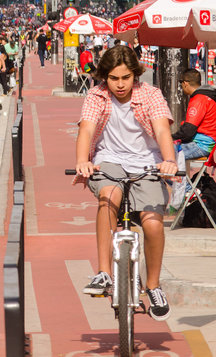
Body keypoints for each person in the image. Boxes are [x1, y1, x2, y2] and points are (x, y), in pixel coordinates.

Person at [73, 45, 177, 321]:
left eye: (125, 78)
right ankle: (104, 273)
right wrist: (83, 160)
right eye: (113, 78)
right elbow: (86, 128)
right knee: (108, 196)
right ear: (104, 77)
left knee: (153, 223)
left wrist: (169, 160)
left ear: (135, 75)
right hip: (109, 161)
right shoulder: (96, 95)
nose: (119, 84)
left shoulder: (150, 94)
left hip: (147, 163)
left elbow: (162, 129)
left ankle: (153, 286)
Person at [173, 69, 216, 162]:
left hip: (202, 145)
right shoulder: (207, 96)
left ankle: (176, 177)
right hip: (207, 142)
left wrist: (170, 137)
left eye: (181, 83)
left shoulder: (199, 100)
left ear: (185, 83)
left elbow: (188, 130)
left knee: (166, 153)